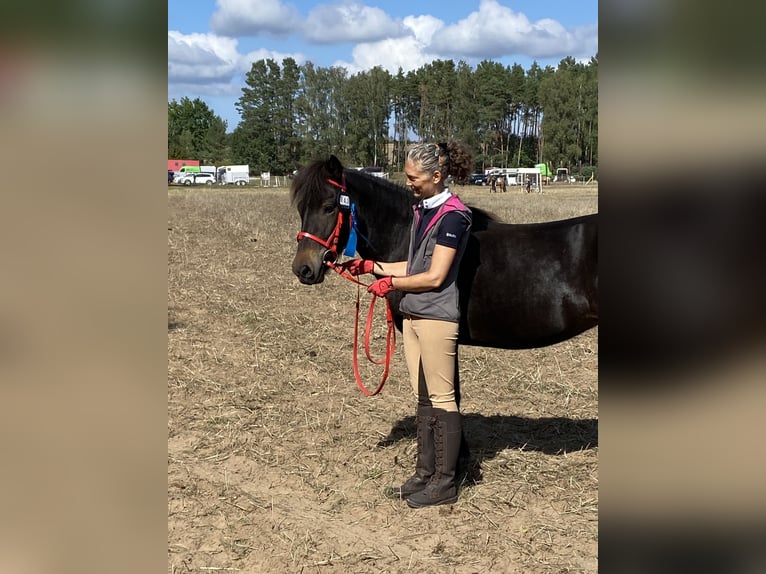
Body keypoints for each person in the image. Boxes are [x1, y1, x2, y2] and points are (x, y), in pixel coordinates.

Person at [340, 141, 473, 508]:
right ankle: (424, 473)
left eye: (414, 177)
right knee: (423, 396)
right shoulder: (421, 211)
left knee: (443, 398)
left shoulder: (453, 216)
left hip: (436, 316)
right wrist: (370, 267)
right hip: (414, 315)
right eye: (407, 176)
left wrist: (391, 284)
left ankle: (445, 483)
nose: (409, 183)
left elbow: (434, 276)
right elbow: (411, 267)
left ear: (436, 175)